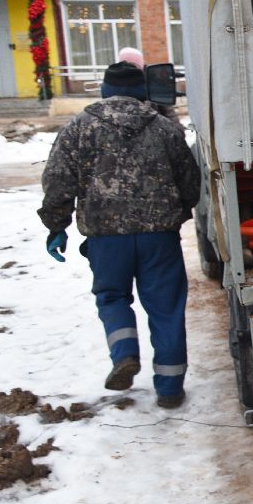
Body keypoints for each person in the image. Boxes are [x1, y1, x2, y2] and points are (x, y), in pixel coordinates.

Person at [40, 61, 199, 409]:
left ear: (105, 90)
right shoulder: (164, 129)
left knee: (112, 297)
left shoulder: (78, 129)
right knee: (166, 308)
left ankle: (125, 353)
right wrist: (181, 209)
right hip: (160, 236)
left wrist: (56, 225)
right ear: (142, 91)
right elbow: (190, 180)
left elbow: (58, 182)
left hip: (106, 237)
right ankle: (170, 387)